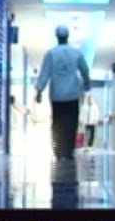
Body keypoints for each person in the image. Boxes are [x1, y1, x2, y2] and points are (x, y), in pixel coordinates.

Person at [34, 25, 91, 161]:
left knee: (57, 123)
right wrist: (86, 85)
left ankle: (58, 150)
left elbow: (44, 73)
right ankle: (69, 151)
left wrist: (39, 91)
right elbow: (85, 70)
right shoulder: (76, 53)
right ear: (68, 36)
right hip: (73, 94)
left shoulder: (51, 53)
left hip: (57, 95)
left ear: (56, 36)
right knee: (71, 123)